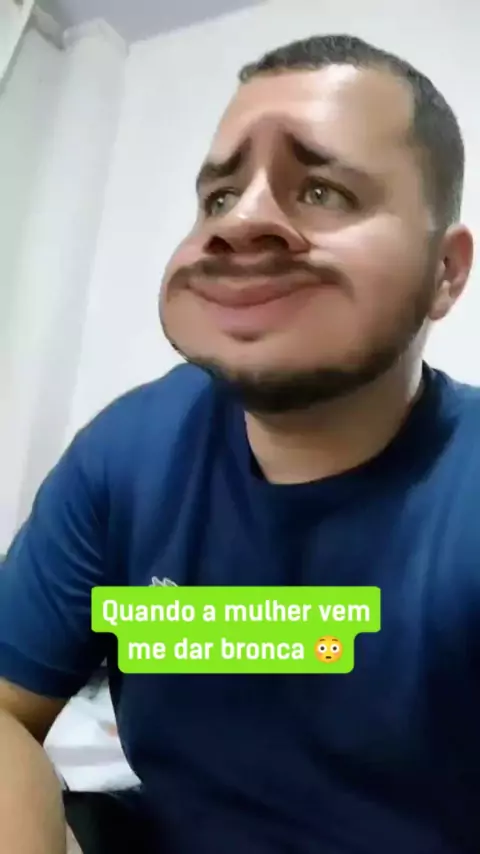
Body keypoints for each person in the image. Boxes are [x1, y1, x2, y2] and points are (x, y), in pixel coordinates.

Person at [0, 31, 478, 854]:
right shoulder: (127, 455)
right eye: (219, 198)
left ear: (446, 270)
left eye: (321, 189)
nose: (241, 222)